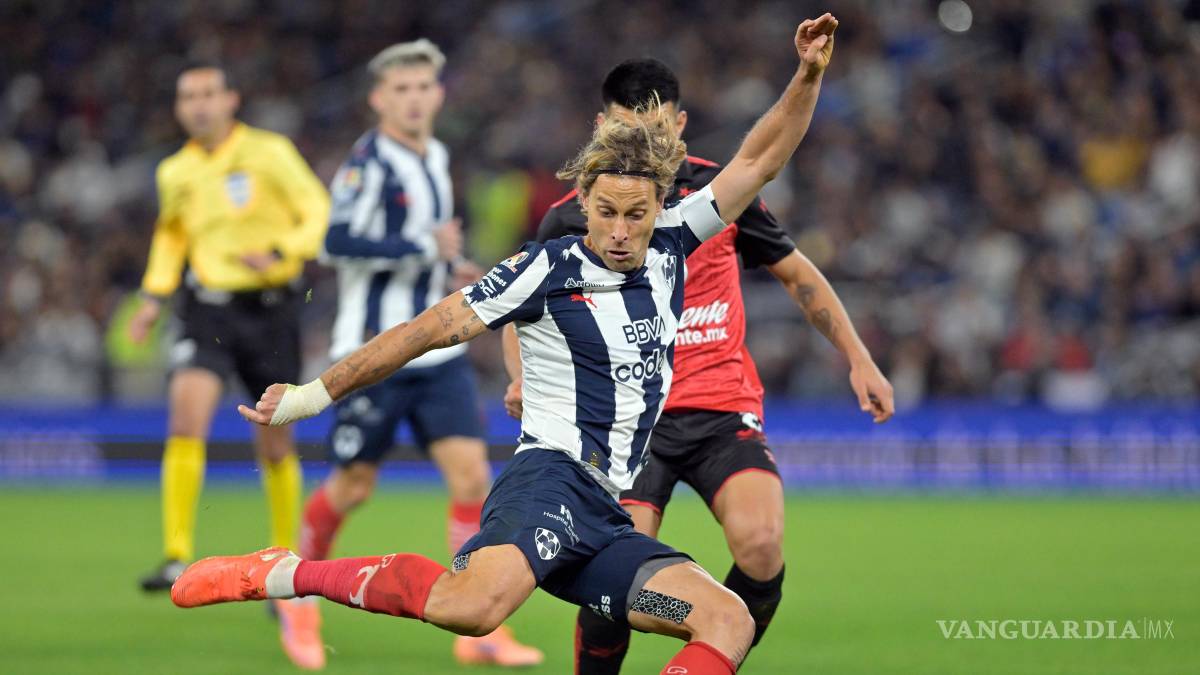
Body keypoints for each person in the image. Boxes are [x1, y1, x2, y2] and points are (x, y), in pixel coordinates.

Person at [172, 14, 839, 675]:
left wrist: (807, 74)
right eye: (606, 212)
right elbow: (421, 331)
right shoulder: (543, 268)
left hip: (605, 515)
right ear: (584, 200)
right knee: (471, 608)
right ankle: (285, 572)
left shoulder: (674, 240)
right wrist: (310, 396)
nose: (619, 230)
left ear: (659, 206)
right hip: (548, 483)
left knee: (728, 619)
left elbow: (761, 159)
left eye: (636, 215)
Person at [503, 58, 894, 672]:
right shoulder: (576, 214)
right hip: (629, 421)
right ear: (601, 127)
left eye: (656, 129)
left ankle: (711, 652)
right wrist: (522, 375)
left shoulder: (718, 195)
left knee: (761, 546)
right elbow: (520, 303)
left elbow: (797, 272)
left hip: (720, 407)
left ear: (680, 126)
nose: (641, 145)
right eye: (627, 130)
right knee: (614, 571)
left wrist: (859, 357)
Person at [289, 40, 542, 669]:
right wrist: (420, 246)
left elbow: (431, 249)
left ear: (439, 94)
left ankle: (476, 627)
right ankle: (296, 596)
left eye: (422, 87)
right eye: (400, 89)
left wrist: (453, 267)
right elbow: (334, 241)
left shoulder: (437, 156)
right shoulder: (368, 163)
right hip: (373, 352)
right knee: (353, 487)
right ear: (379, 99)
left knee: (471, 476)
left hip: (436, 352)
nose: (413, 99)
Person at [129, 63, 329, 599]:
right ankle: (176, 554)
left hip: (271, 310)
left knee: (274, 439)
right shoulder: (175, 170)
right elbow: (171, 235)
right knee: (185, 414)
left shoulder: (270, 152)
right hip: (207, 309)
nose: (198, 105)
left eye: (208, 94)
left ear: (230, 100)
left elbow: (316, 210)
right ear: (179, 108)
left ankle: (284, 558)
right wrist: (153, 296)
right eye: (188, 96)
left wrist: (283, 250)